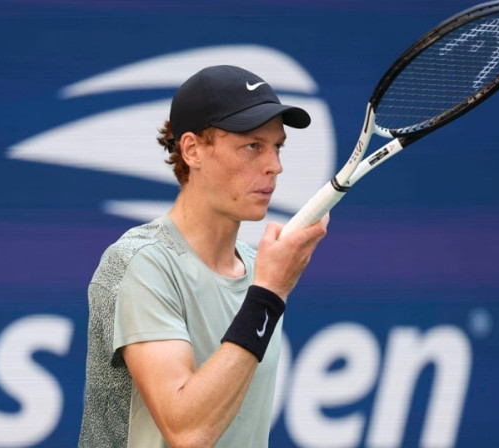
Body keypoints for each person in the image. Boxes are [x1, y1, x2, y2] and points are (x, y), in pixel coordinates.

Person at [78, 65, 329, 448]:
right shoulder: (140, 263)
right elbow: (188, 431)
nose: (274, 165)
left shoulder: (259, 271)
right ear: (193, 150)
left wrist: (267, 289)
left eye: (277, 146)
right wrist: (270, 293)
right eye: (252, 146)